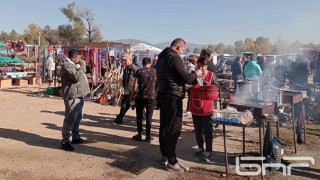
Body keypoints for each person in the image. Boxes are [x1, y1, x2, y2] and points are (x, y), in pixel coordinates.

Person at [156, 38, 202, 172]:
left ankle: (164, 155)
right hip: (172, 97)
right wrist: (196, 74)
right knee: (174, 129)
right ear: (178, 47)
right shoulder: (174, 57)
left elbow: (170, 76)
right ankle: (172, 161)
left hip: (163, 94)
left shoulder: (161, 58)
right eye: (182, 50)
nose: (182, 53)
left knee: (164, 126)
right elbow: (186, 77)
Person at [60, 49, 90, 151]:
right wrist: (82, 66)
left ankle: (75, 136)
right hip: (72, 96)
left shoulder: (74, 65)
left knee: (77, 118)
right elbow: (76, 76)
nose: (80, 60)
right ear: (73, 58)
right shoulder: (67, 65)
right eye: (79, 58)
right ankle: (65, 141)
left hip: (79, 95)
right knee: (70, 119)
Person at [189, 57, 218, 162]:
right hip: (195, 105)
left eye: (203, 66)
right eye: (199, 66)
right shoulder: (193, 73)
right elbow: (189, 83)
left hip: (207, 107)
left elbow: (216, 87)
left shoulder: (211, 75)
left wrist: (208, 85)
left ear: (207, 66)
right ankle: (200, 147)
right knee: (197, 129)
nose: (200, 68)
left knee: (207, 130)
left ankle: (209, 151)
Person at [130, 58, 157, 142]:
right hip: (151, 97)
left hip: (140, 96)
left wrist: (132, 95)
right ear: (150, 63)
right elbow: (157, 83)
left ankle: (139, 134)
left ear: (142, 63)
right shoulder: (154, 71)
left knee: (139, 116)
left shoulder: (139, 71)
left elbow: (135, 85)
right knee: (149, 117)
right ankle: (148, 136)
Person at [114, 54, 139, 124]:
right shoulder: (126, 69)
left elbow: (139, 79)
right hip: (127, 90)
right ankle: (120, 117)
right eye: (124, 60)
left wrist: (136, 89)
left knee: (125, 104)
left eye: (125, 60)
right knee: (125, 104)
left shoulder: (135, 69)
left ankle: (120, 118)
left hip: (132, 90)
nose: (124, 62)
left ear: (130, 60)